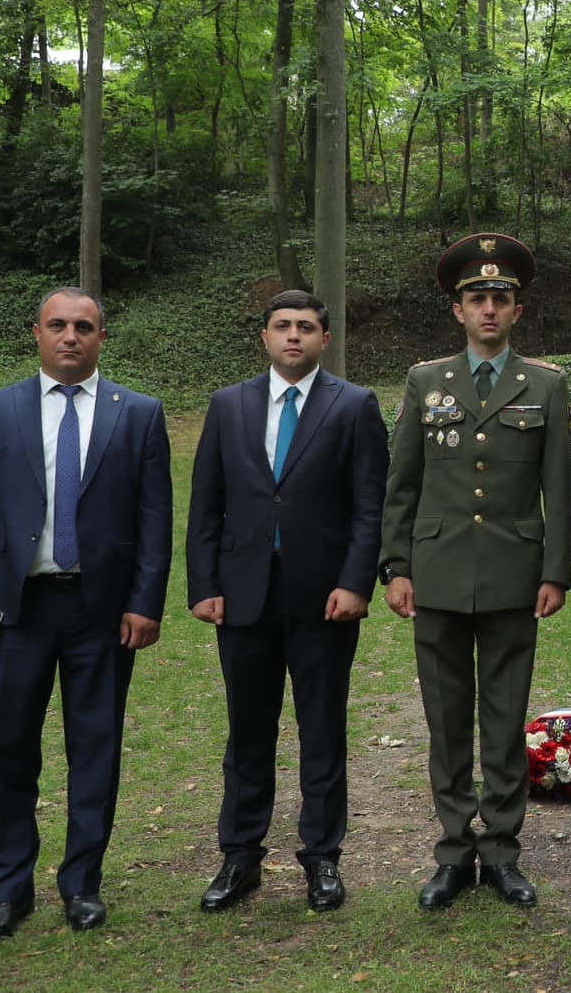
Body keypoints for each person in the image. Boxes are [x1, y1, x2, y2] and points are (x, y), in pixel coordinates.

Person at [0, 287, 171, 941]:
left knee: (95, 747)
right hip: (15, 611)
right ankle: (8, 891)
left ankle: (82, 884)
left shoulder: (139, 414)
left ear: (101, 338)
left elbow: (155, 520)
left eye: (84, 327)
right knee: (11, 747)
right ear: (36, 333)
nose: (71, 336)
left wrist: (144, 602)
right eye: (58, 325)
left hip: (102, 611)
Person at [379, 233, 571, 910]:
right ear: (457, 310)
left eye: (500, 298)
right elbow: (402, 483)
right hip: (435, 572)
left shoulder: (546, 384)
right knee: (446, 718)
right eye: (476, 298)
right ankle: (454, 852)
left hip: (514, 574)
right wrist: (396, 566)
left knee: (504, 717)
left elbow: (558, 487)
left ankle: (503, 852)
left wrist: (555, 572)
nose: (489, 308)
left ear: (517, 310)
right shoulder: (425, 381)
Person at [185, 290, 386, 914]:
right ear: (265, 337)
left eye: (305, 327)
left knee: (322, 728)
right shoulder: (228, 405)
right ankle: (240, 854)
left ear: (325, 338)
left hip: (324, 597)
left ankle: (322, 856)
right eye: (282, 326)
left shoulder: (354, 405)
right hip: (244, 592)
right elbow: (206, 504)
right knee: (248, 729)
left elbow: (369, 505)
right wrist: (204, 585)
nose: (293, 335)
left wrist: (356, 582)